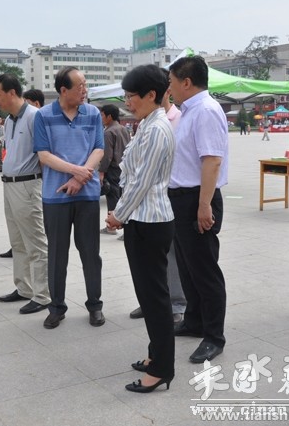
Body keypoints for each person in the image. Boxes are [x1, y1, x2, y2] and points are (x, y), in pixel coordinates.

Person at [105, 64, 175, 393]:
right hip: (141, 219)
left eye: (131, 96)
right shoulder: (146, 124)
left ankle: (162, 369)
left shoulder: (158, 128)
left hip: (151, 221)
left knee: (155, 298)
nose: (128, 102)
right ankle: (155, 355)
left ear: (151, 95)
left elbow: (142, 182)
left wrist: (118, 214)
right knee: (147, 296)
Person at [167, 55, 229, 364]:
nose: (169, 88)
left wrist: (204, 206)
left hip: (197, 199)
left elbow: (212, 160)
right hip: (181, 199)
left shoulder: (205, 110)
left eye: (172, 82)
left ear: (187, 82)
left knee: (205, 270)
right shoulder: (188, 111)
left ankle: (214, 336)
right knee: (187, 267)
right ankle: (194, 320)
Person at [34, 66, 105, 329]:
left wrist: (79, 178)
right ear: (63, 90)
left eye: (85, 84)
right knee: (56, 255)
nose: (84, 90)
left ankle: (95, 305)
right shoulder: (43, 116)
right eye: (80, 86)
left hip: (87, 194)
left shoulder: (92, 113)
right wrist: (76, 171)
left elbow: (98, 149)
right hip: (55, 197)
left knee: (90, 253)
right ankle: (56, 307)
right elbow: (44, 155)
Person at [0, 73, 50, 314]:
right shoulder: (9, 120)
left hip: (28, 185)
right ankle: (24, 288)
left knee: (35, 242)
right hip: (9, 185)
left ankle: (43, 295)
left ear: (12, 93)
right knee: (17, 241)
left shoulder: (35, 116)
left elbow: (46, 155)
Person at [130, 85, 186, 324]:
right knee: (148, 257)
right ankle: (151, 301)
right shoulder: (145, 122)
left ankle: (176, 303)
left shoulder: (177, 119)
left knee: (170, 255)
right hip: (147, 200)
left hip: (169, 194)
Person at [98, 104, 131, 235]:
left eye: (102, 115)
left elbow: (107, 155)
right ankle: (124, 226)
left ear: (109, 116)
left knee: (112, 197)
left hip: (112, 169)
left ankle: (111, 226)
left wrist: (101, 171)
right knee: (123, 196)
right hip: (124, 167)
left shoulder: (108, 132)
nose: (101, 118)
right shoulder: (124, 129)